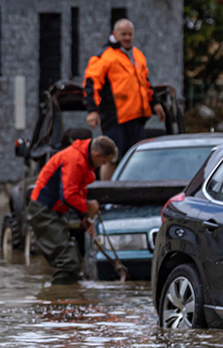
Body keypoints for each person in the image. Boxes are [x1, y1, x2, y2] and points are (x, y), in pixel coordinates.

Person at [25, 136, 119, 285]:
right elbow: (68, 195)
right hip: (43, 211)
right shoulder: (74, 160)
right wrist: (88, 206)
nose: (103, 165)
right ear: (96, 155)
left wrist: (85, 218)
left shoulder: (82, 159)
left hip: (52, 211)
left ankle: (67, 298)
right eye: (104, 161)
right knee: (69, 263)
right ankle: (58, 300)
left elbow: (76, 193)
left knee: (73, 259)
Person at [84, 18, 166, 179]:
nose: (127, 37)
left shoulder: (137, 55)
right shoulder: (105, 56)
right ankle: (108, 196)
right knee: (111, 157)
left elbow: (145, 82)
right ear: (114, 34)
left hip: (136, 117)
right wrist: (92, 110)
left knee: (137, 158)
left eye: (130, 34)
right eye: (123, 34)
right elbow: (91, 83)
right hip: (115, 118)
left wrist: (155, 103)